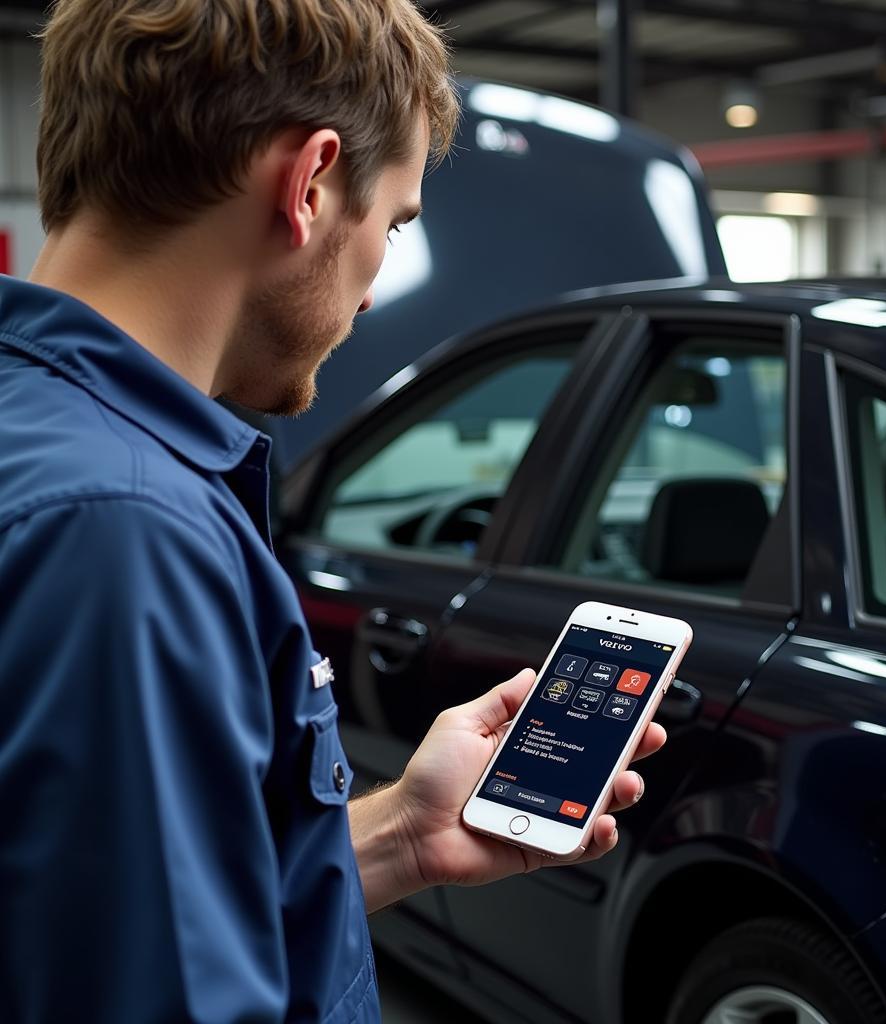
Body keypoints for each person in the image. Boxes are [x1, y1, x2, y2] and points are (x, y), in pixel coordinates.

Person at [0, 2, 667, 1021]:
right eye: (393, 223)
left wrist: (400, 832)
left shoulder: (48, 441)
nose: (368, 292)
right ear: (309, 182)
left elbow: (123, 928)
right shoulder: (125, 530)